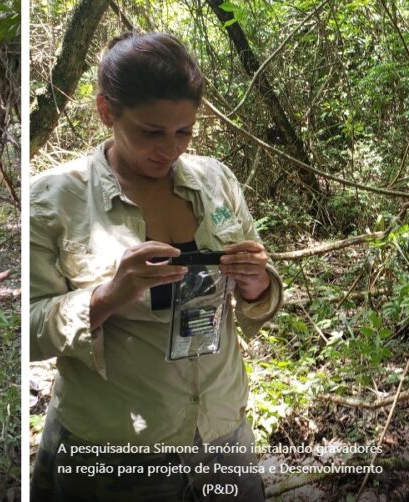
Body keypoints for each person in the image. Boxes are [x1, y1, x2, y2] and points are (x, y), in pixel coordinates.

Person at [30, 32, 283, 501]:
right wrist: (107, 295)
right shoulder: (52, 200)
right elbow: (26, 332)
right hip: (116, 451)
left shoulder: (217, 181)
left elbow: (258, 301)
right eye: (151, 132)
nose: (170, 149)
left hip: (220, 430)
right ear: (108, 112)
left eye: (184, 131)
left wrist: (255, 282)